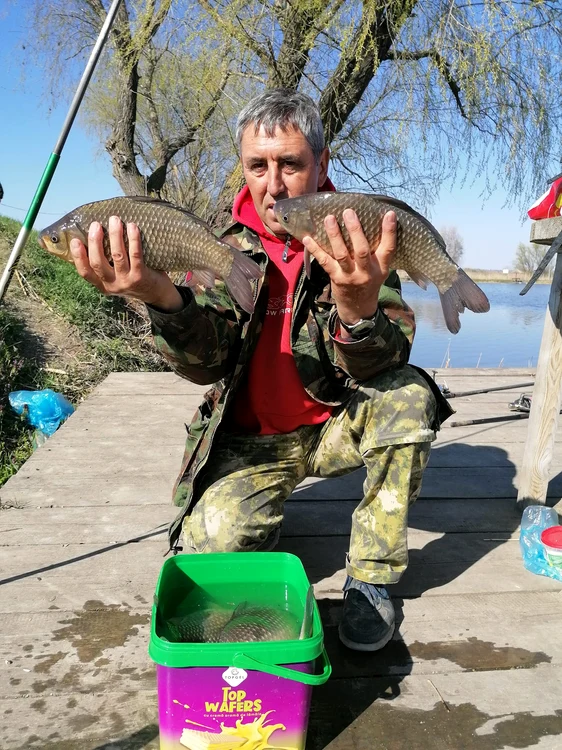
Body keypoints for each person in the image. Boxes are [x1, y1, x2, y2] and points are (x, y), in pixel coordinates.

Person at [69, 88, 452, 652]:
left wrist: (358, 305)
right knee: (212, 555)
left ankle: (371, 578)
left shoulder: (357, 237)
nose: (274, 184)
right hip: (251, 442)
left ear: (321, 165)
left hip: (332, 426)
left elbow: (388, 359)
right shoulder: (215, 248)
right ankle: (262, 513)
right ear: (243, 168)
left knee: (408, 396)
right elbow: (208, 365)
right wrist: (160, 296)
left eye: (291, 164)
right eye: (258, 166)